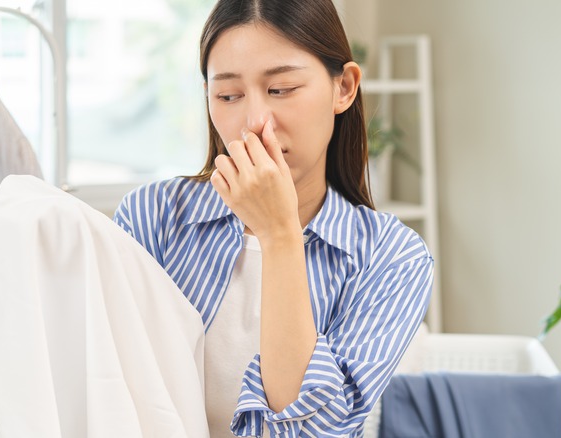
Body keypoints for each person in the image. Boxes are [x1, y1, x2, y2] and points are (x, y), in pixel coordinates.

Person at [113, 0, 435, 436]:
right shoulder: (152, 217)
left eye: (281, 89)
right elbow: (110, 394)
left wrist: (279, 234)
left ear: (344, 87)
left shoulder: (392, 257)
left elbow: (315, 430)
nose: (255, 121)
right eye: (228, 95)